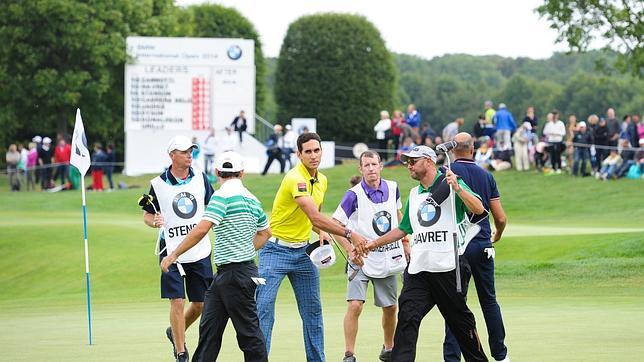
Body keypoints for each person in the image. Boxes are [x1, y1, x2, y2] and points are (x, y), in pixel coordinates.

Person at [365, 145, 488, 362]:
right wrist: (373, 244)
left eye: (413, 161)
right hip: (419, 269)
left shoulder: (450, 183)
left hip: (449, 267)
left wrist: (458, 188)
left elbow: (478, 209)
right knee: (407, 319)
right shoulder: (414, 194)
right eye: (408, 162)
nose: (409, 166)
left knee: (461, 323)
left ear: (429, 162)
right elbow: (403, 229)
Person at [256, 132, 369, 362]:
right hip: (274, 251)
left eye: (316, 150)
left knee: (313, 312)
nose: (313, 155)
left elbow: (314, 221)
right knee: (264, 310)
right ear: (298, 154)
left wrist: (325, 236)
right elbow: (316, 217)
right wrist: (349, 233)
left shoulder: (322, 180)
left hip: (302, 253)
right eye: (307, 151)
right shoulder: (294, 178)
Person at [160, 151, 270, 362]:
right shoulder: (252, 199)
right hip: (228, 275)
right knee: (209, 329)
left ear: (217, 172)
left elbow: (202, 229)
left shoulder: (221, 196)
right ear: (242, 173)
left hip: (236, 274)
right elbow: (265, 232)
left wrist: (173, 254)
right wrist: (245, 248)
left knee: (248, 334)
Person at [331, 151, 410, 362]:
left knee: (391, 307)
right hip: (360, 259)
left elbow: (399, 216)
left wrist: (405, 242)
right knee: (355, 305)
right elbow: (336, 226)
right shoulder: (353, 195)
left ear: (381, 166)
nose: (371, 168)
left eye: (374, 164)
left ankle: (389, 348)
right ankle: (349, 354)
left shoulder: (393, 188)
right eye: (366, 165)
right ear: (361, 169)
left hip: (387, 256)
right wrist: (350, 250)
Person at [142, 136, 214, 362]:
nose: (189, 155)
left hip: (199, 249)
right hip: (170, 250)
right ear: (172, 155)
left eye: (190, 151)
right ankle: (181, 352)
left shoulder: (201, 178)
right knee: (177, 300)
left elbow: (213, 207)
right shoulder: (157, 183)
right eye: (183, 152)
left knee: (201, 303)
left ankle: (174, 331)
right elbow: (147, 214)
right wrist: (154, 221)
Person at [442, 133, 510, 362]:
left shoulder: (447, 174)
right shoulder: (486, 175)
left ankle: (452, 357)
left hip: (456, 246)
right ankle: (500, 355)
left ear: (453, 150)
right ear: (472, 149)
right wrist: (497, 235)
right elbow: (500, 217)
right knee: (489, 300)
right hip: (481, 243)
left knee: (455, 304)